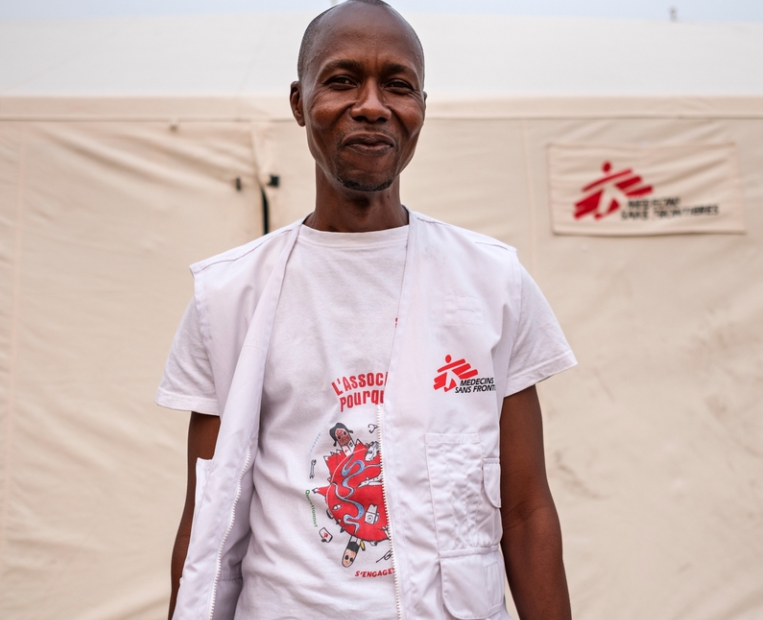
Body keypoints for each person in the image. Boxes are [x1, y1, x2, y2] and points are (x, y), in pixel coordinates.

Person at [156, 1, 576, 618]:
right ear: (300, 102)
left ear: (421, 111)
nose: (373, 105)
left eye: (398, 85)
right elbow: (209, 517)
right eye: (343, 79)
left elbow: (526, 507)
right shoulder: (229, 296)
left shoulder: (491, 281)